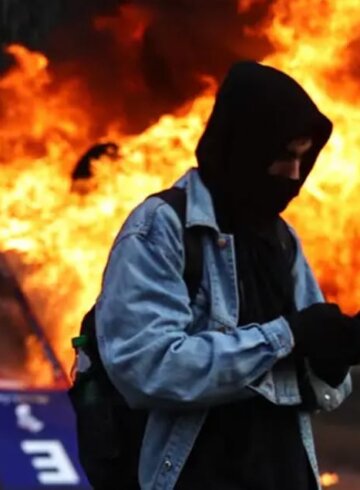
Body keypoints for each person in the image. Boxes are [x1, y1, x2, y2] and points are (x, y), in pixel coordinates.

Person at [95, 61, 360, 490]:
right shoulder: (161, 227)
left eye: (302, 158)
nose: (295, 175)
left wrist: (333, 355)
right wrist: (286, 337)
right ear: (247, 147)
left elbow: (324, 389)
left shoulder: (282, 240)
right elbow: (149, 368)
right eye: (283, 157)